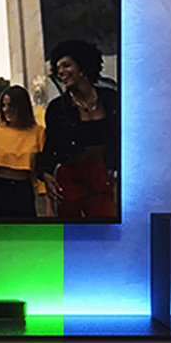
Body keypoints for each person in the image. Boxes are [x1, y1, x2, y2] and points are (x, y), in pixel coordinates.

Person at [36, 40, 120, 217]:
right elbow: (50, 146)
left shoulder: (111, 100)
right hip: (70, 176)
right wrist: (45, 173)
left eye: (66, 65)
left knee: (104, 226)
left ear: (83, 67)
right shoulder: (57, 108)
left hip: (101, 174)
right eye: (58, 68)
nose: (61, 72)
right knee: (72, 229)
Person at [0, 85, 44, 217]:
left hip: (23, 190)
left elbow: (43, 167)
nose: (6, 110)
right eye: (3, 106)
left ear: (22, 107)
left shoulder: (38, 133)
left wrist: (45, 196)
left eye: (11, 105)